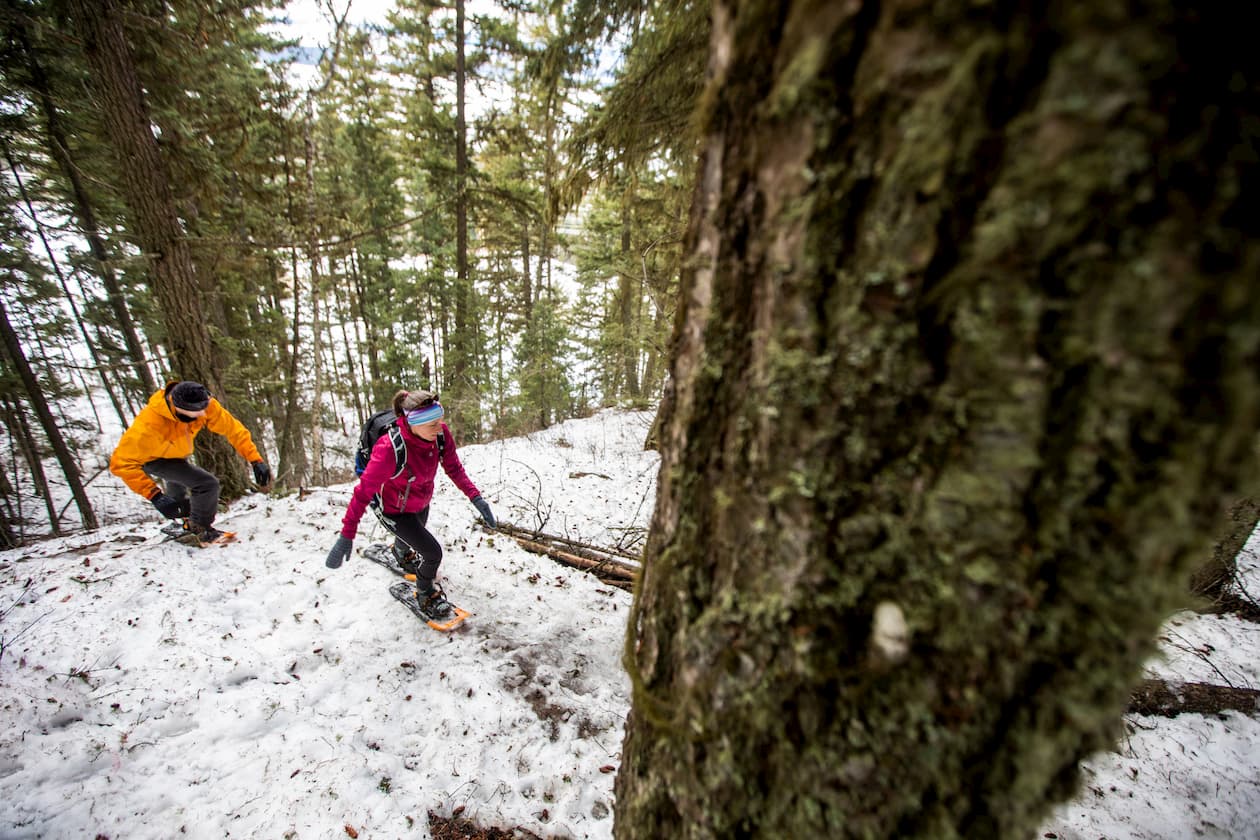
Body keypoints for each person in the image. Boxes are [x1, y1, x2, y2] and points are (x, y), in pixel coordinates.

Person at [324, 389, 496, 619]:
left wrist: (476, 498)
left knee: (415, 534)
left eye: (440, 421)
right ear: (413, 424)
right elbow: (362, 493)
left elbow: (454, 468)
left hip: (419, 501)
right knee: (432, 553)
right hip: (392, 510)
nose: (440, 428)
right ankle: (425, 594)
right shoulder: (389, 449)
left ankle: (400, 551)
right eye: (432, 424)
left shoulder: (439, 435)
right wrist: (346, 535)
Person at [110, 380, 272, 546]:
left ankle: (183, 522)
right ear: (179, 408)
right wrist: (155, 496)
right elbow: (120, 463)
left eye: (205, 407)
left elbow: (234, 430)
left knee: (179, 501)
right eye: (198, 411)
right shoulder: (149, 426)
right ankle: (199, 528)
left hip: (176, 454)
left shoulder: (204, 404)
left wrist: (255, 460)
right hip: (152, 459)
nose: (203, 414)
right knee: (206, 484)